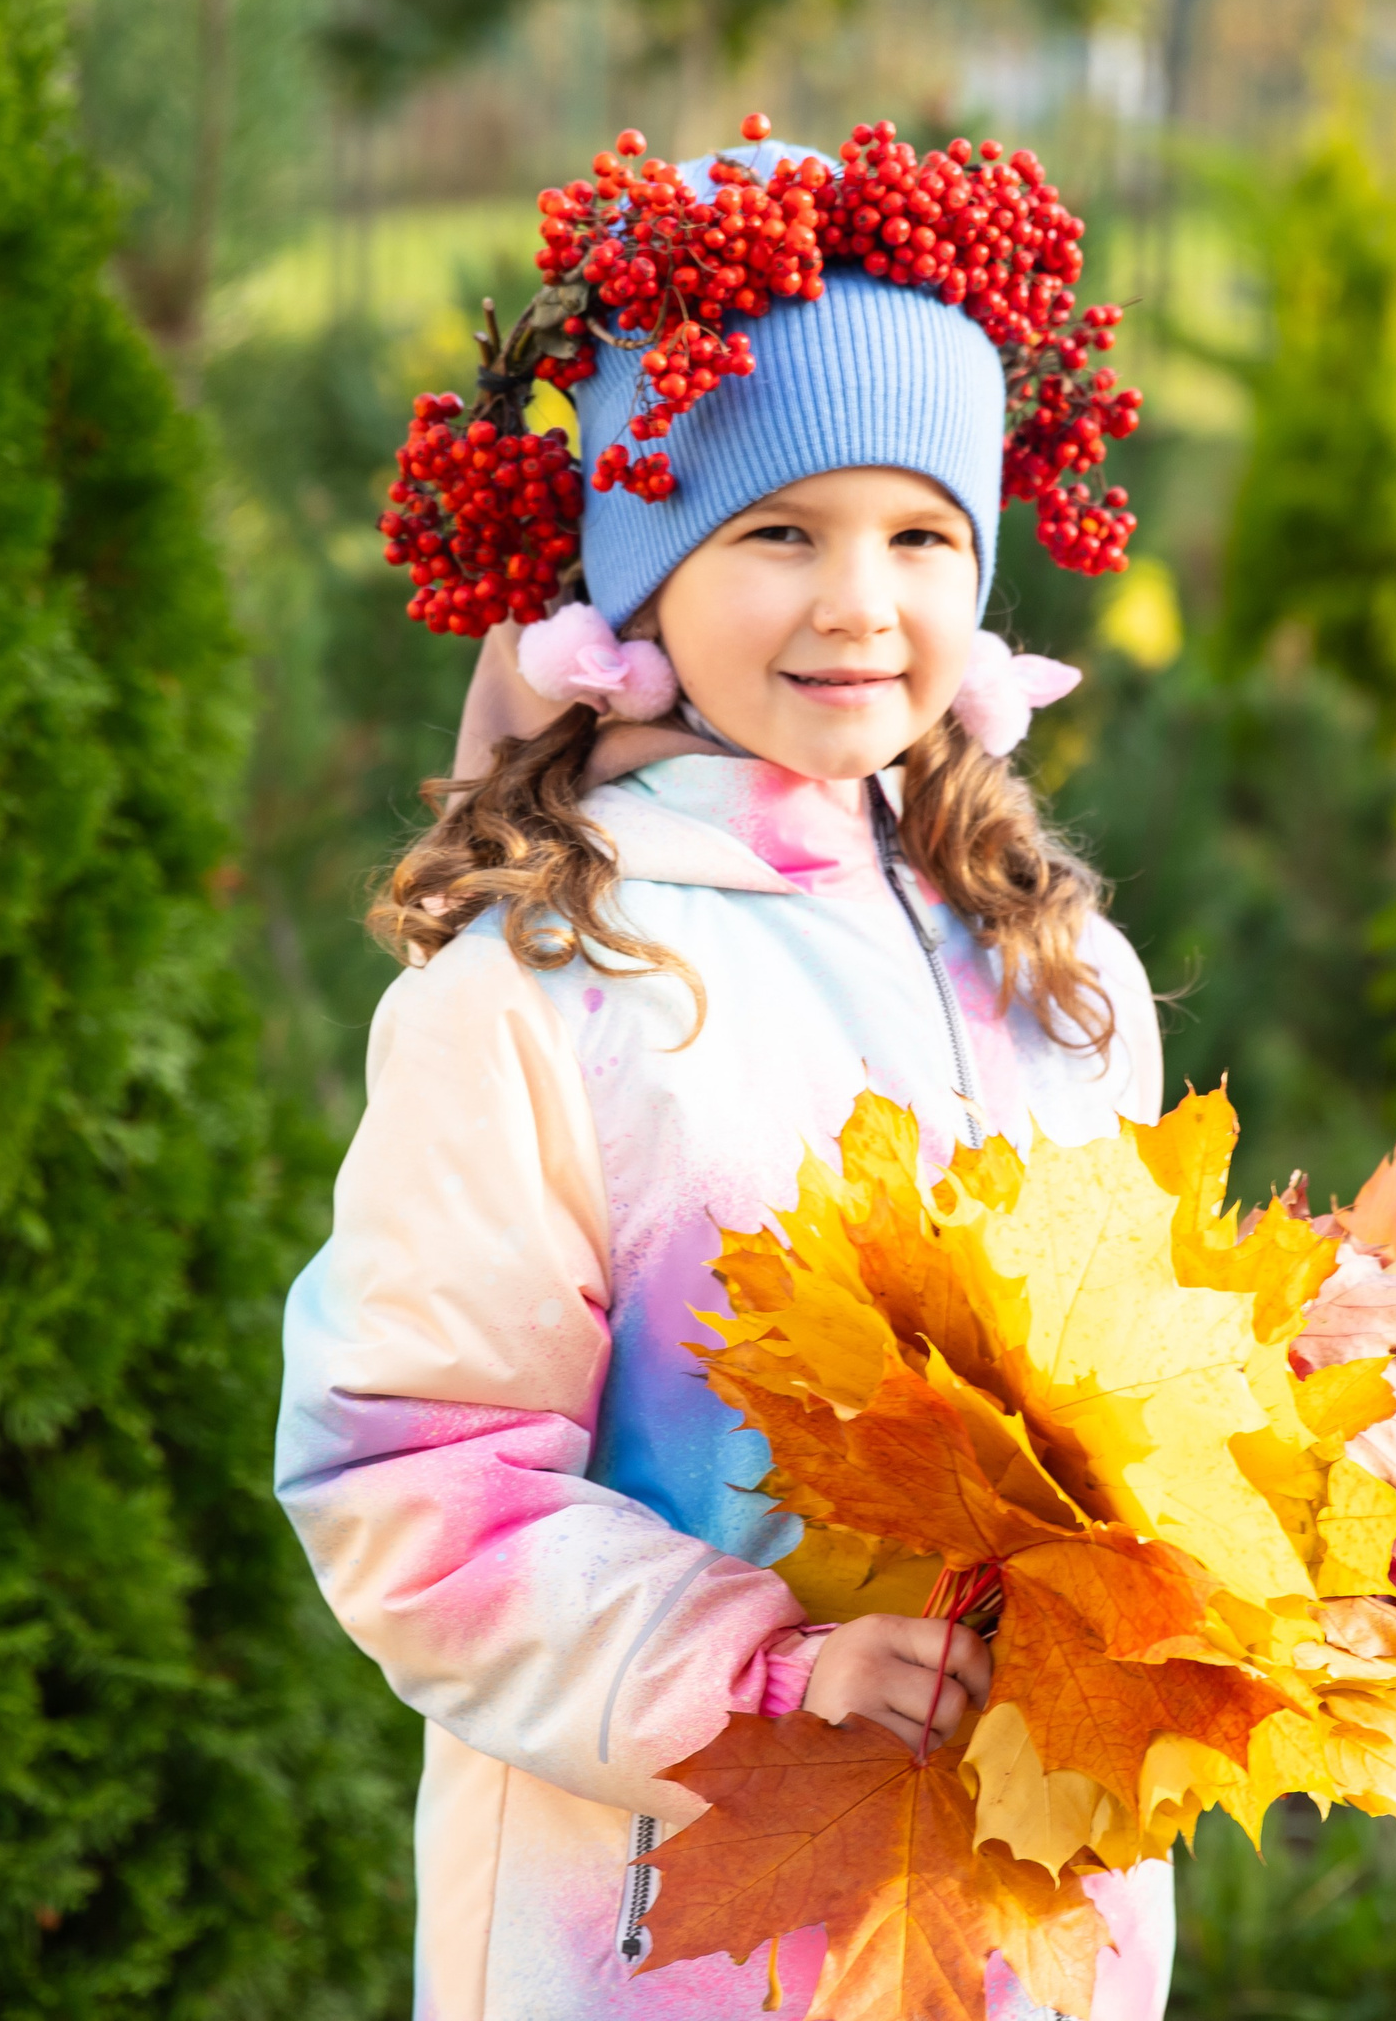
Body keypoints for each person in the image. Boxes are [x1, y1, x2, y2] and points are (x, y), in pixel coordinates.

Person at [275, 127, 1171, 2018]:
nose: (858, 601)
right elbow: (412, 1477)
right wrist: (763, 1669)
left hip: (1029, 1911)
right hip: (669, 1924)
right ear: (639, 584)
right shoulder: (543, 988)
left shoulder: (1062, 975)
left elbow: (1149, 1397)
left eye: (921, 534)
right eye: (778, 532)